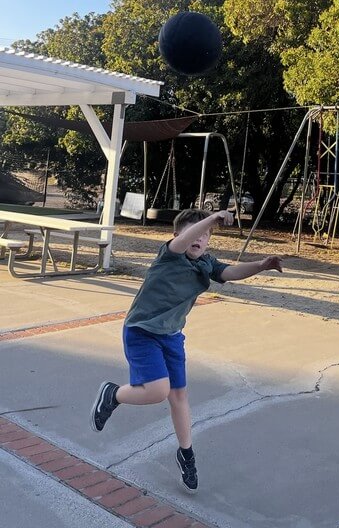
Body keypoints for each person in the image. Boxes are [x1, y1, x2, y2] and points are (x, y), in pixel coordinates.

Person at [90, 207, 283, 492]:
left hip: (171, 336)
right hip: (143, 331)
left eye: (206, 235)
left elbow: (230, 272)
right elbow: (184, 240)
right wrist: (213, 218)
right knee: (157, 391)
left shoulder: (206, 263)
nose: (200, 238)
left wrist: (261, 265)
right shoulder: (170, 254)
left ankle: (186, 453)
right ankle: (113, 394)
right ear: (178, 235)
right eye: (196, 232)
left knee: (179, 396)